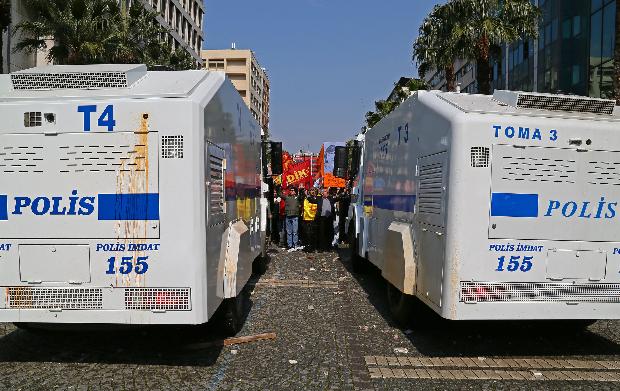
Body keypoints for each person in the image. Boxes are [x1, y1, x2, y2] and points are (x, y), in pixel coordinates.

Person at [302, 187, 321, 252]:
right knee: (308, 234)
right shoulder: (307, 198)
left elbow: (319, 207)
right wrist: (312, 215)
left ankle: (315, 247)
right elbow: (306, 208)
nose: (312, 191)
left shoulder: (319, 198)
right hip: (308, 218)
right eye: (311, 190)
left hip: (316, 218)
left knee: (315, 234)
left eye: (314, 190)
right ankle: (309, 247)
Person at [284, 186, 302, 251]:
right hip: (288, 216)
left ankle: (295, 245)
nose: (291, 191)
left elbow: (302, 196)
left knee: (295, 232)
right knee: (289, 232)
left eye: (293, 190)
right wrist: (278, 186)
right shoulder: (287, 197)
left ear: (295, 192)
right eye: (291, 190)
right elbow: (279, 194)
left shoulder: (297, 197)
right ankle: (289, 245)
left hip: (295, 217)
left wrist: (302, 189)